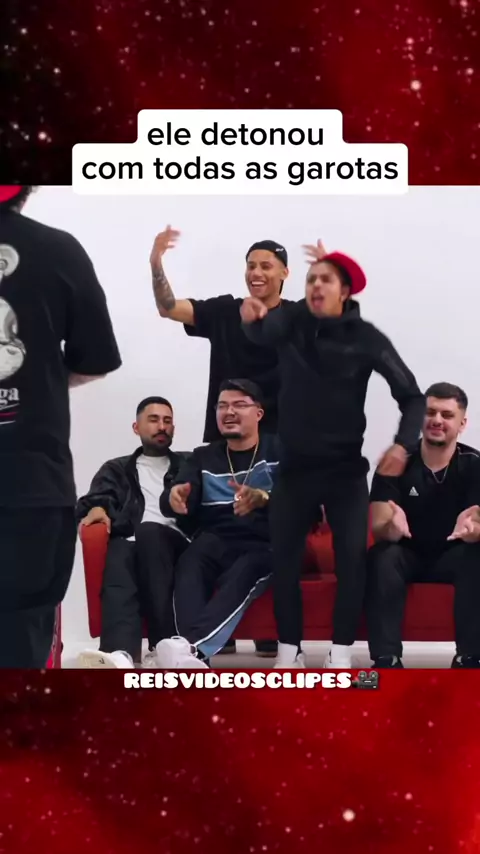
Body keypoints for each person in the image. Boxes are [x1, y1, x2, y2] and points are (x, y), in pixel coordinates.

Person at [241, 249, 425, 669]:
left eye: (325, 279)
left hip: (344, 472)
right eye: (311, 279)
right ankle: (289, 651)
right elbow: (262, 334)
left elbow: (412, 396)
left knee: (352, 565)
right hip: (295, 470)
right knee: (284, 563)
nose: (315, 286)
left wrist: (402, 445)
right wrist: (249, 319)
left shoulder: (367, 338)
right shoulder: (292, 322)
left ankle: (340, 652)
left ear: (345, 291)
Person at [149, 227, 310, 658]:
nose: (256, 272)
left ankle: (211, 644)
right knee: (208, 544)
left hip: (277, 450)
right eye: (250, 265)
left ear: (285, 273)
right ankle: (191, 649)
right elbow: (169, 307)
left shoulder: (297, 318)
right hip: (226, 450)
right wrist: (156, 264)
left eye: (266, 265)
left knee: (261, 541)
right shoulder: (225, 312)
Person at [0, 185, 121, 668]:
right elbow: (95, 360)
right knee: (20, 645)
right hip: (29, 487)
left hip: (31, 488)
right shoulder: (58, 250)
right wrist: (39, 381)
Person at [154, 379, 278, 669]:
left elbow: (306, 504)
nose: (229, 412)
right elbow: (177, 494)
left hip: (269, 540)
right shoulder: (203, 456)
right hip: (217, 538)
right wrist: (173, 497)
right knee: (191, 561)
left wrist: (265, 499)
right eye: (222, 406)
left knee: (249, 567)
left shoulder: (280, 450)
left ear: (259, 413)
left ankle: (191, 649)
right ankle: (193, 660)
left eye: (239, 405)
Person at [367, 382, 480, 669]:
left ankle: (470, 657)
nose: (437, 420)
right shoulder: (395, 462)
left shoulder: (474, 465)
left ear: (462, 424)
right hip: (407, 554)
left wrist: (473, 531)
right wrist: (392, 528)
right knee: (382, 555)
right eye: (430, 412)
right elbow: (378, 526)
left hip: (455, 553)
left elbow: (478, 522)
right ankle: (387, 658)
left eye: (447, 414)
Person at [76, 397, 192, 669]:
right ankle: (120, 654)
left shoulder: (189, 464)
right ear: (136, 427)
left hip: (177, 543)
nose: (162, 426)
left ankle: (163, 646)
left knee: (149, 533)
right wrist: (98, 508)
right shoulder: (117, 469)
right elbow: (96, 498)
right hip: (133, 542)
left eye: (167, 421)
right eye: (153, 420)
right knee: (118, 550)